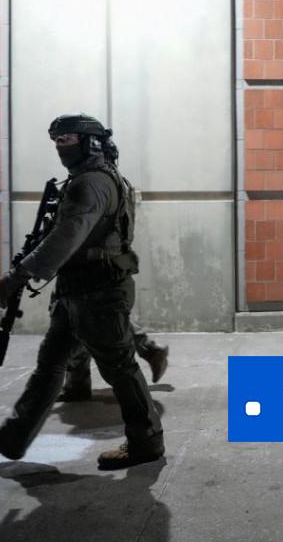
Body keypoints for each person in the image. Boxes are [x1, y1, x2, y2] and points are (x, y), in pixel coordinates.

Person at [0, 113, 164, 470]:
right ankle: (15, 436)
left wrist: (19, 275)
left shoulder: (92, 183)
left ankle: (146, 441)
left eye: (67, 139)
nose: (60, 147)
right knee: (51, 363)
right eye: (56, 140)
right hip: (78, 289)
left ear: (90, 143)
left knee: (119, 367)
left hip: (99, 291)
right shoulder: (89, 178)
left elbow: (65, 237)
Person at [56, 138, 169, 401]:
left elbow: (90, 230)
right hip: (105, 264)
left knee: (90, 320)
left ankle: (146, 352)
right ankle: (78, 383)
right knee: (82, 321)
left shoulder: (99, 185)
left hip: (96, 266)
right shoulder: (118, 182)